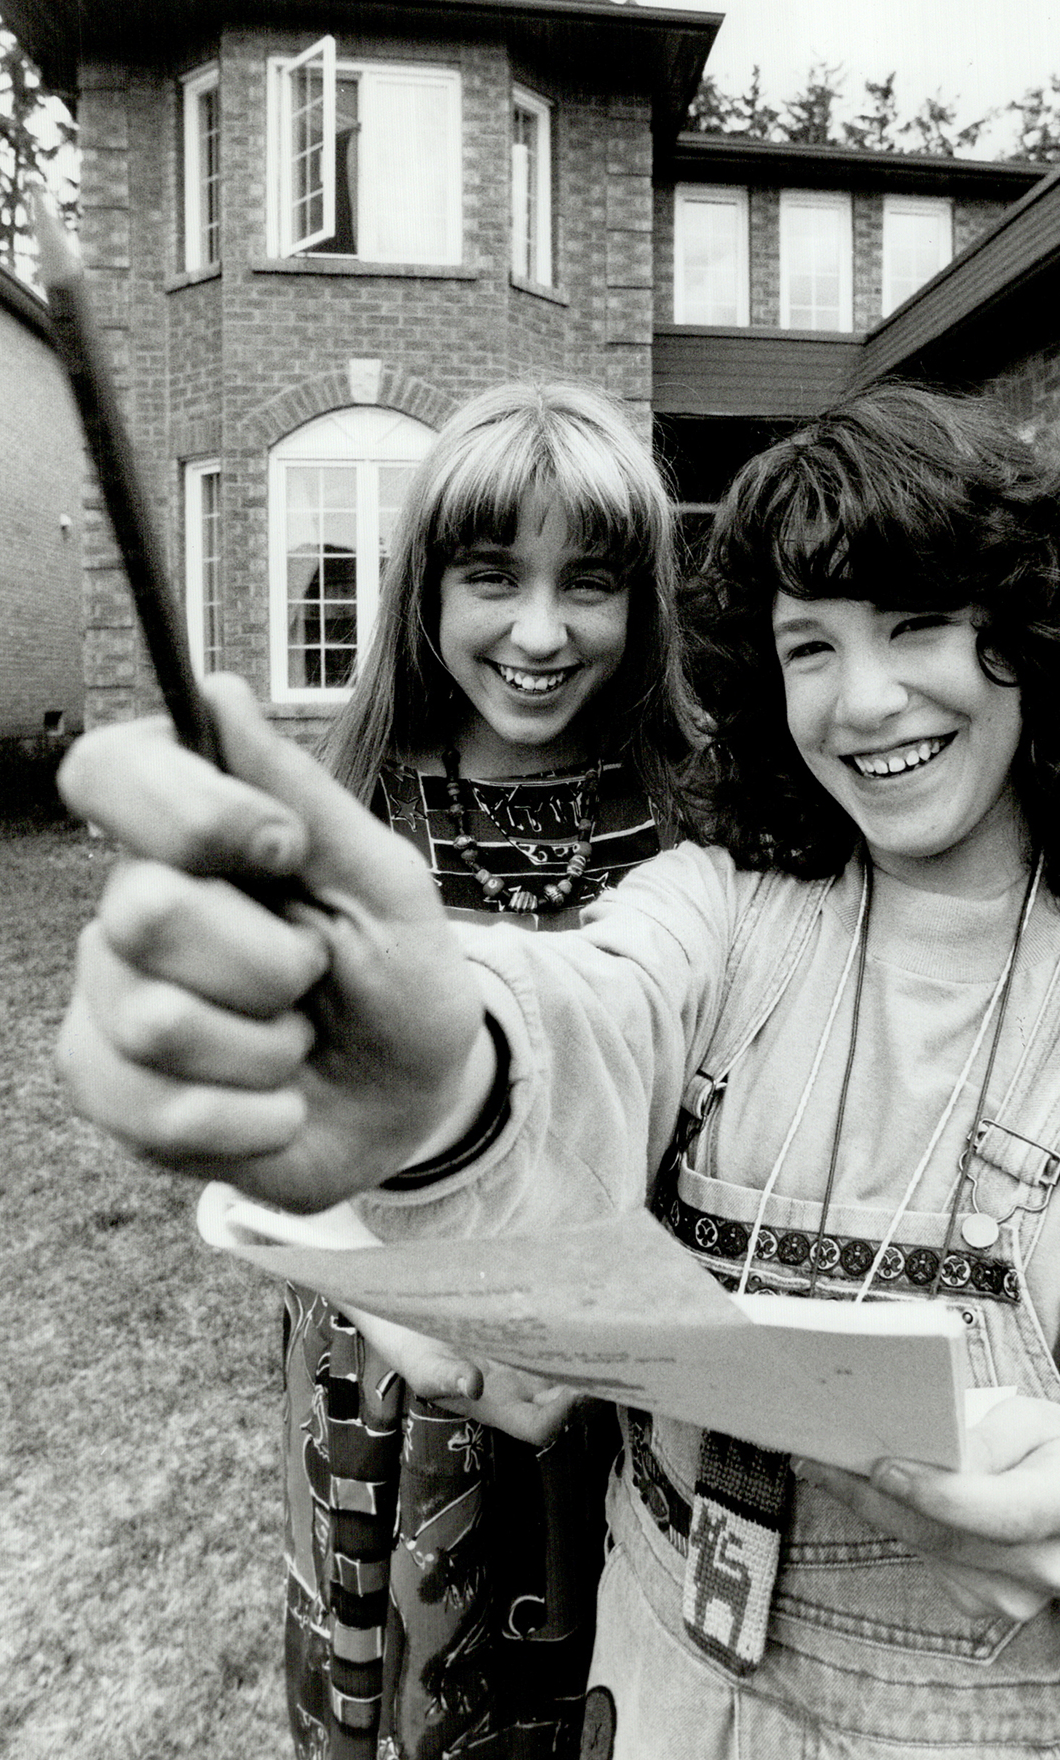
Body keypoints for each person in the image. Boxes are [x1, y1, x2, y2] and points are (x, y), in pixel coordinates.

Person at [57, 384, 1060, 1759]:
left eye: (916, 625)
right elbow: (580, 1023)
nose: (865, 698)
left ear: (1033, 638)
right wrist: (437, 1080)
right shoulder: (715, 913)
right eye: (810, 645)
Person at [262, 382, 692, 1759]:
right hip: (403, 1376)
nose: (541, 633)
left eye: (591, 582)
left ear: (644, 601)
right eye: (494, 577)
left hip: (641, 1387)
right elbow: (280, 1128)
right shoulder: (346, 817)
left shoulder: (696, 811)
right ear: (425, 592)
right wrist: (401, 1323)